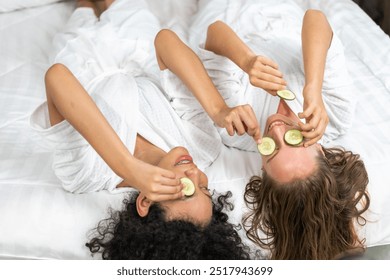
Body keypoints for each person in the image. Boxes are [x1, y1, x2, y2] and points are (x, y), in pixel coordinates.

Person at [29, 0, 250, 259]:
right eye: (204, 189)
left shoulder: (86, 174)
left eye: (185, 191)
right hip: (138, 46)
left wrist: (127, 167)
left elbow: (57, 76)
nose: (196, 174)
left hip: (79, 59)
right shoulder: (201, 146)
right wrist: (218, 110)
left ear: (145, 201)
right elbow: (165, 40)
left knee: (84, 7)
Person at [157, 0, 370, 259]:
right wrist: (313, 86)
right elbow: (315, 18)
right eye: (294, 141)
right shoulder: (333, 114)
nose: (276, 129)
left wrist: (246, 62)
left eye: (270, 151)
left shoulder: (236, 126)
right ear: (320, 149)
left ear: (262, 169)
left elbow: (215, 30)